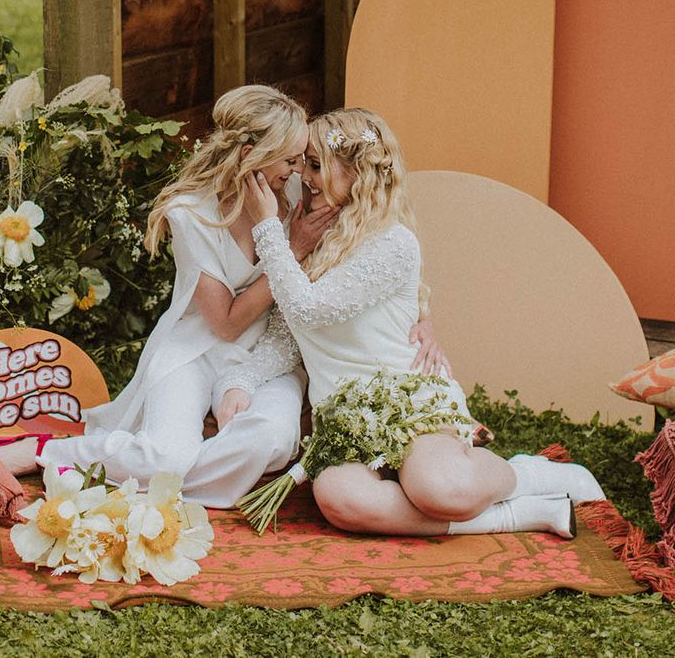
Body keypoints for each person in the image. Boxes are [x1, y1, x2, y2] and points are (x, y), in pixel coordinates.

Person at [0, 87, 444, 508]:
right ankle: (53, 452)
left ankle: (151, 468)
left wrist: (418, 316)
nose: (300, 173)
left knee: (269, 442)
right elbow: (225, 322)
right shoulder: (192, 213)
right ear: (252, 156)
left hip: (270, 352)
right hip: (197, 347)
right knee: (166, 455)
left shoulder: (299, 197)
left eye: (305, 160)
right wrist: (295, 248)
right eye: (290, 160)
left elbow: (365, 264)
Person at [215, 107, 605, 536]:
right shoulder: (307, 235)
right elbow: (289, 336)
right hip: (343, 419)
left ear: (357, 173)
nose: (303, 178)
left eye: (315, 165)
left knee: (440, 490)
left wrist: (269, 230)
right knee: (341, 501)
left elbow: (311, 308)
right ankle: (519, 515)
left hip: (407, 404)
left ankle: (532, 476)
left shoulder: (392, 243)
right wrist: (243, 382)